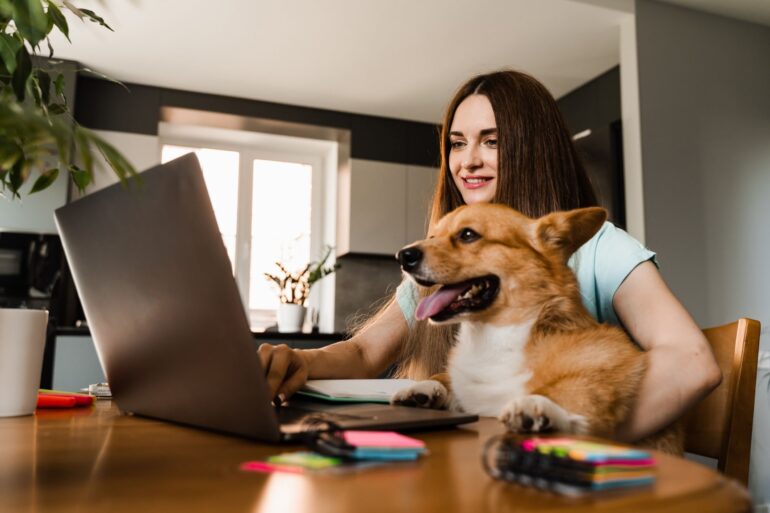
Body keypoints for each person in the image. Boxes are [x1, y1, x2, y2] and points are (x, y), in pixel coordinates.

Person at [257, 70, 721, 443]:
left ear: (532, 148)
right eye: (457, 143)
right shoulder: (448, 263)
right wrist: (299, 360)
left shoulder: (600, 247)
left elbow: (691, 361)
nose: (467, 161)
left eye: (491, 141)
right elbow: (362, 352)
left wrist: (572, 442)